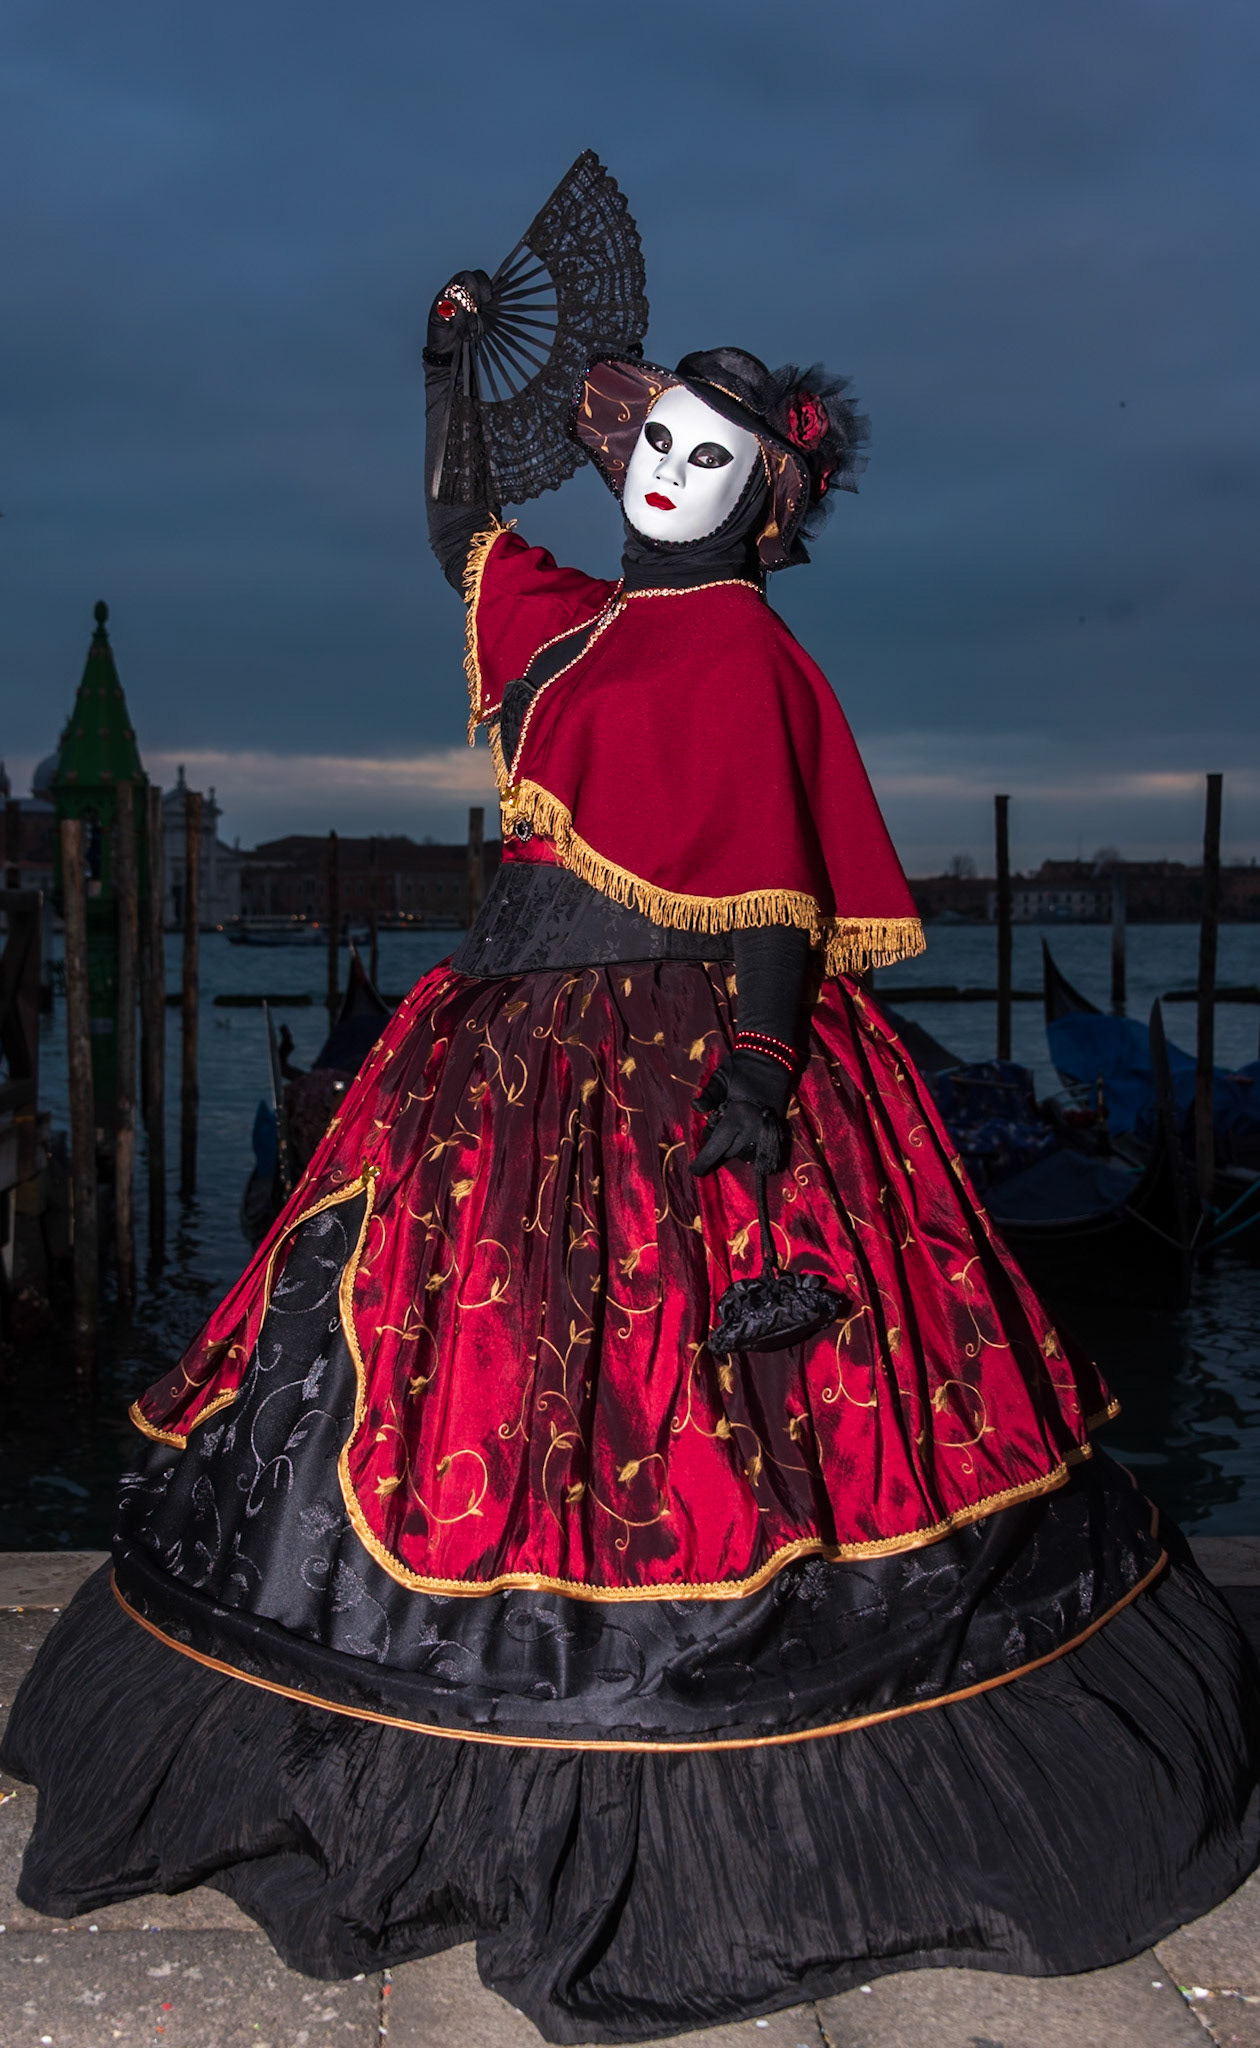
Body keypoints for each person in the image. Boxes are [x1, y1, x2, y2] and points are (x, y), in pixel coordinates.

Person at [4, 276, 1257, 2047]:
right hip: (500, 1039)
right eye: (654, 441)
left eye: (708, 456)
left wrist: (760, 1067)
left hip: (690, 1058)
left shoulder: (746, 653)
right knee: (450, 1359)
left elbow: (773, 889)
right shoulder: (571, 622)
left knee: (689, 1397)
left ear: (766, 500)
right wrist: (447, 374)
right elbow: (459, 527)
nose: (666, 470)